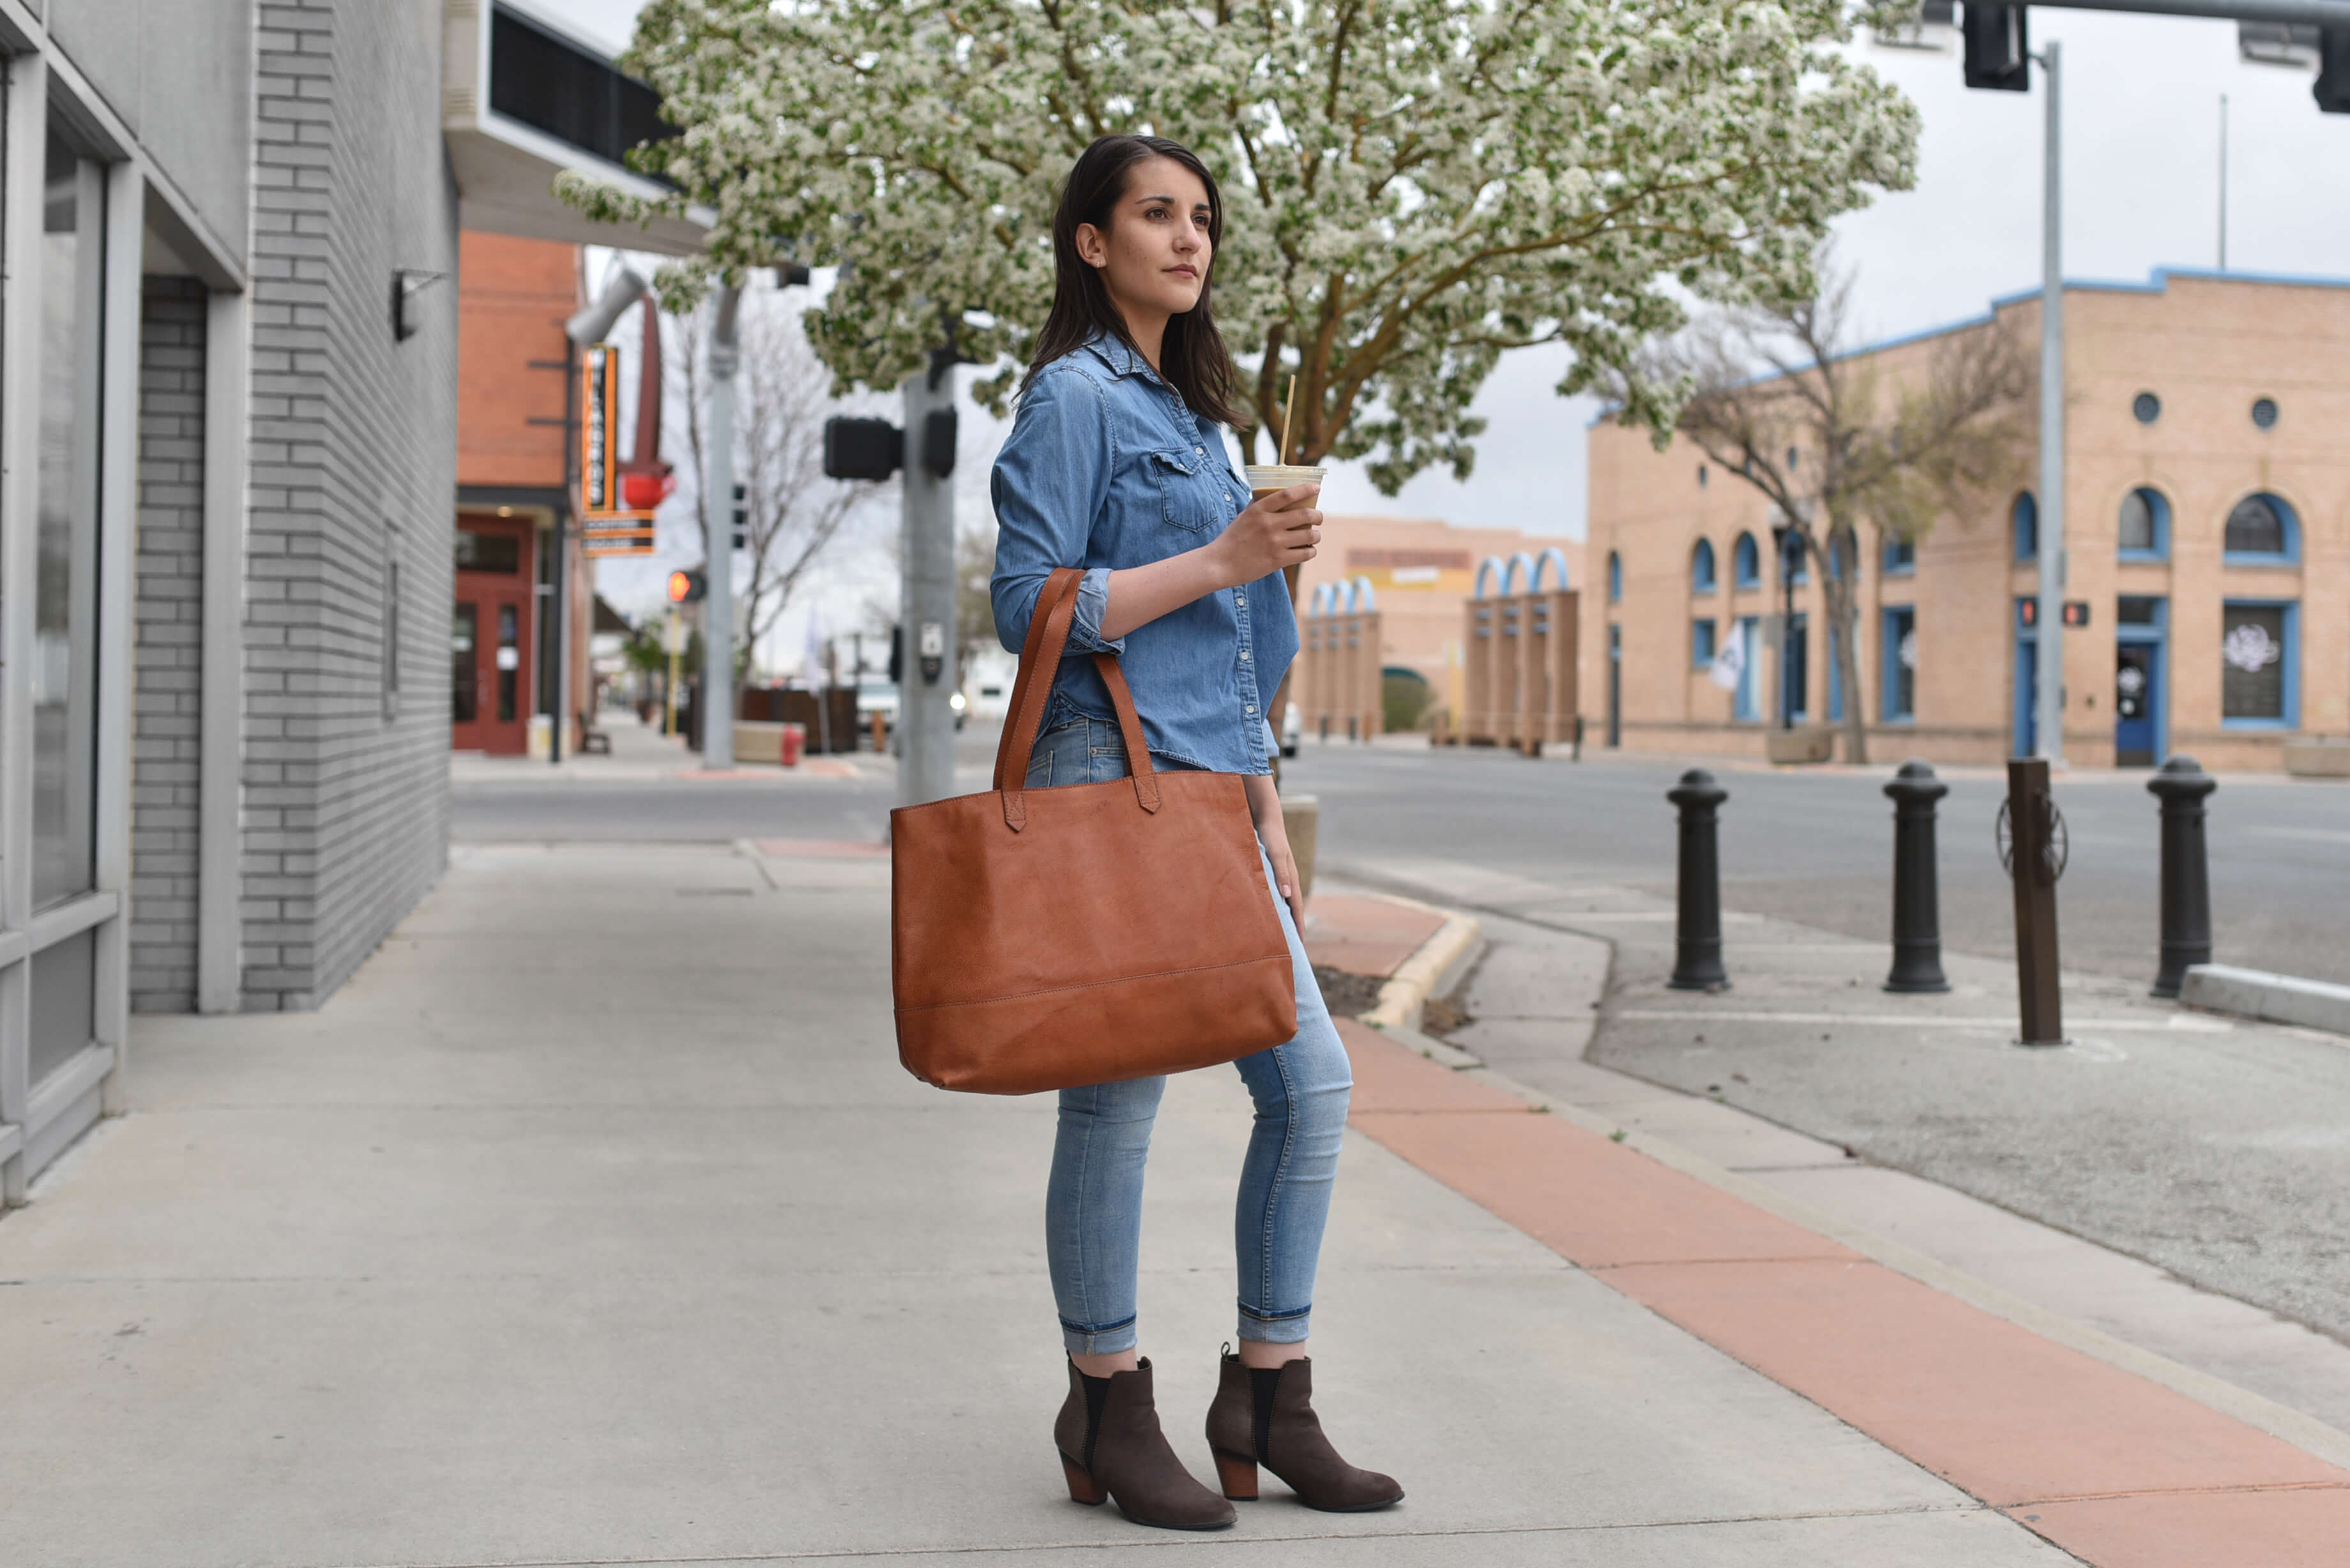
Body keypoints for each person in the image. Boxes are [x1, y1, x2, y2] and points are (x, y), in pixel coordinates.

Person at [990, 134, 1403, 1532]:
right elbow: (1030, 604)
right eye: (1156, 214)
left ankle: (1266, 1394)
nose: (1188, 237)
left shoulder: (1198, 419)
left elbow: (1235, 644)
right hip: (1112, 779)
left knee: (1312, 1086)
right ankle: (1106, 1396)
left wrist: (1268, 795)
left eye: (1203, 219)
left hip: (1217, 787)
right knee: (1115, 1100)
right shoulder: (1072, 399)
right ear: (1091, 242)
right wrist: (1220, 555)